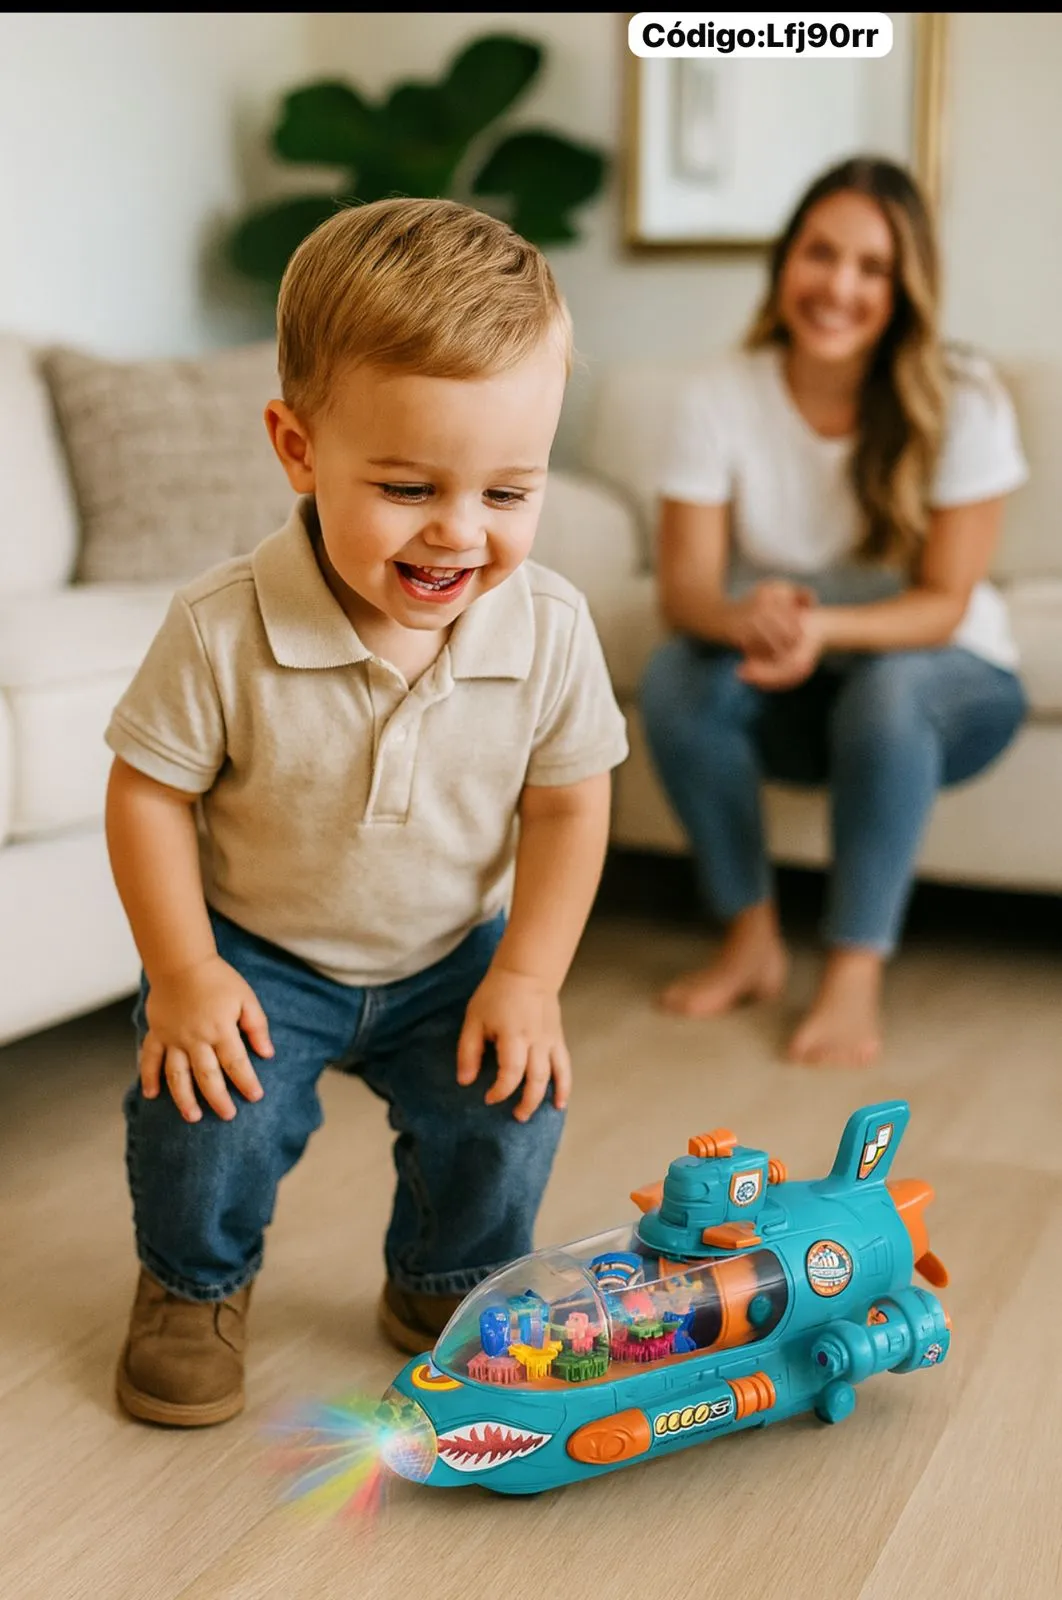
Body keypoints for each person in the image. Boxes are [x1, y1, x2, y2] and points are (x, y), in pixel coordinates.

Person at [104, 198, 628, 1427]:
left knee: (507, 1101)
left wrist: (531, 975)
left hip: (451, 954)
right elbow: (147, 791)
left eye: (509, 491)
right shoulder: (220, 626)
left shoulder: (548, 626)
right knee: (205, 1108)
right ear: (298, 447)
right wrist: (182, 970)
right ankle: (192, 1282)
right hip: (258, 950)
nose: (460, 532)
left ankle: (446, 1278)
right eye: (407, 486)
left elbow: (568, 807)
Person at [639, 157, 1028, 1068]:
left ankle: (853, 974)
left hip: (952, 681)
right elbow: (686, 591)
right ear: (785, 261)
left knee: (887, 694)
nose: (839, 287)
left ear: (906, 288)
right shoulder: (718, 396)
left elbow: (942, 606)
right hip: (802, 674)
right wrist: (750, 620)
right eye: (821, 254)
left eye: (872, 267)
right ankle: (751, 940)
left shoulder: (963, 400)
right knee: (675, 677)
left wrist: (821, 629)